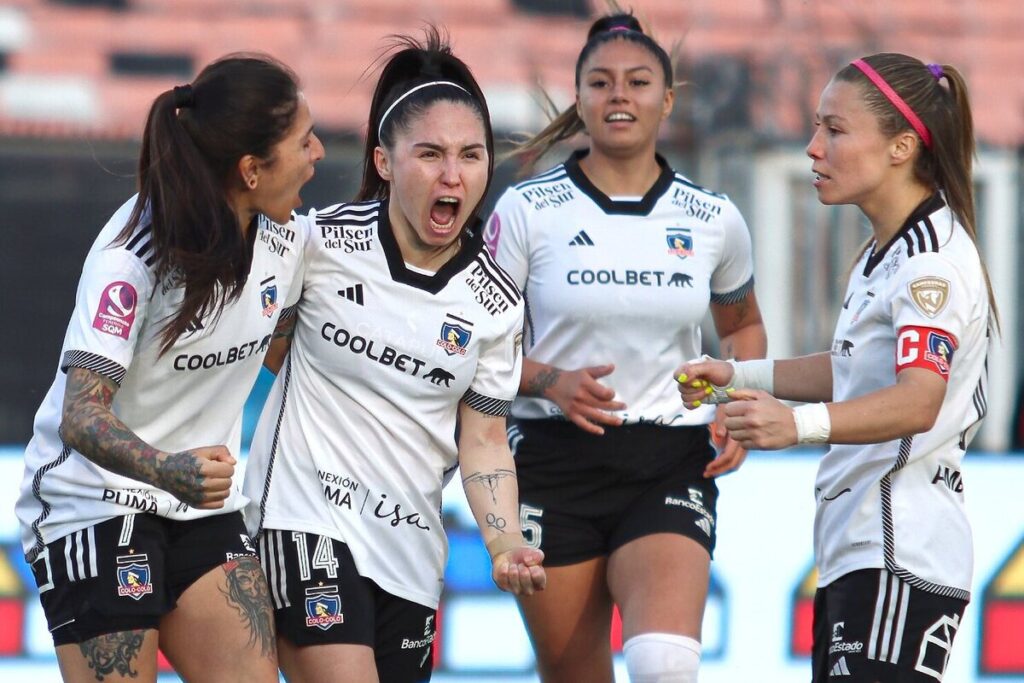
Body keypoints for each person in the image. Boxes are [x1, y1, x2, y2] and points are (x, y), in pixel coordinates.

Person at [677, 53, 995, 682]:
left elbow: (916, 401)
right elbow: (852, 369)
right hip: (859, 549)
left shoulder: (929, 264)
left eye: (834, 129)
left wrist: (796, 428)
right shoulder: (888, 250)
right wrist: (740, 376)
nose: (812, 147)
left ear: (902, 146)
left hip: (900, 550)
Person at [242, 29, 546, 683]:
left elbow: (486, 440)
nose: (452, 174)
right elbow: (253, 350)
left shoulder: (495, 303)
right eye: (430, 154)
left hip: (408, 553)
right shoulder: (318, 243)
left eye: (470, 155)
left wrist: (505, 540)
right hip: (302, 522)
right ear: (384, 161)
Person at [16, 54, 324, 682]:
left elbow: (279, 342)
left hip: (200, 508)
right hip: (92, 504)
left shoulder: (289, 239)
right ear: (251, 170)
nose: (319, 152)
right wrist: (169, 470)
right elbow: (81, 416)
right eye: (304, 140)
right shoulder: (134, 256)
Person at [487, 13, 766, 683]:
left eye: (639, 82)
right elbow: (479, 349)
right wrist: (550, 379)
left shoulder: (712, 217)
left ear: (667, 99)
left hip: (668, 458)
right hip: (554, 461)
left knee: (665, 663)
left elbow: (742, 327)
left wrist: (734, 399)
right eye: (601, 82)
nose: (620, 96)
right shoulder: (526, 210)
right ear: (578, 97)